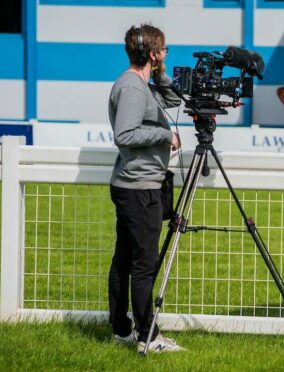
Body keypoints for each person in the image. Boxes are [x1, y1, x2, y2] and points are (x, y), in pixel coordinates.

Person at [108, 23, 184, 353]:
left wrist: (161, 73)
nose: (165, 54)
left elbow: (171, 100)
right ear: (151, 53)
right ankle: (148, 337)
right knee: (143, 264)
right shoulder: (132, 88)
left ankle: (122, 329)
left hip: (136, 184)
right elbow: (124, 135)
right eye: (163, 50)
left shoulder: (143, 84)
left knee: (125, 260)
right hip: (139, 188)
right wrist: (165, 136)